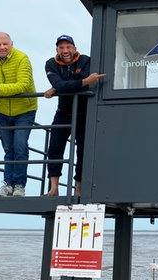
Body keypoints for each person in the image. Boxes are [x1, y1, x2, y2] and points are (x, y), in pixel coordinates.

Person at [44, 34, 105, 196]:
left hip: (84, 113)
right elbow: (63, 84)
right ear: (57, 49)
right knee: (54, 149)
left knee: (83, 150)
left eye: (68, 47)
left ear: (75, 48)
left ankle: (78, 188)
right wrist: (83, 82)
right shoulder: (50, 64)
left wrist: (60, 87)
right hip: (63, 113)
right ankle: (54, 188)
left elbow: (63, 85)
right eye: (61, 47)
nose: (65, 50)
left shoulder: (86, 60)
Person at [0, 32, 38, 197]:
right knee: (8, 148)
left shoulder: (22, 58)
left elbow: (23, 85)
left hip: (25, 109)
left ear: (12, 44)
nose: (2, 47)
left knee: (19, 145)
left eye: (5, 44)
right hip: (3, 110)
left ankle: (19, 185)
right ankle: (8, 184)